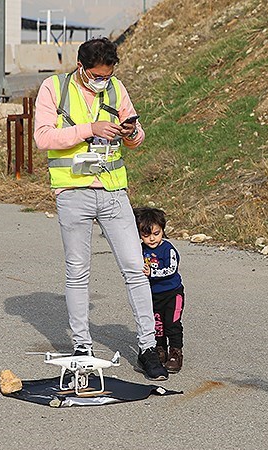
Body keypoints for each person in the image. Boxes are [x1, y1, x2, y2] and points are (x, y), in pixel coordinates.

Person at [33, 37, 168, 382]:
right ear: (81, 68)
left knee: (135, 267)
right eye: (96, 75)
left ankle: (148, 347)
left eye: (107, 75)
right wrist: (89, 130)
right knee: (77, 270)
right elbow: (44, 138)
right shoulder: (54, 88)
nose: (102, 81)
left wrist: (131, 131)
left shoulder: (116, 88)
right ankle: (82, 347)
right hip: (72, 191)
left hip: (112, 191)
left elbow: (138, 137)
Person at [133, 207, 185, 373]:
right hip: (153, 294)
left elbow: (172, 268)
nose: (152, 239)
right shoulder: (141, 250)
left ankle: (175, 352)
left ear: (162, 230)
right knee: (158, 325)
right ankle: (159, 349)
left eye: (156, 233)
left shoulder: (167, 249)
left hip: (172, 294)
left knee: (172, 324)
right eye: (146, 235)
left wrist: (152, 273)